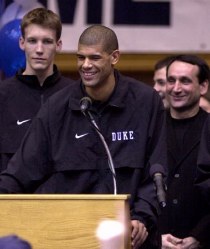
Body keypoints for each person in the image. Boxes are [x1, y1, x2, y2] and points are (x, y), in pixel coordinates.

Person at [0, 25, 166, 249]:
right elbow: (20, 172)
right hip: (72, 236)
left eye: (94, 58)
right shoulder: (56, 108)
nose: (85, 65)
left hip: (132, 237)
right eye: (80, 57)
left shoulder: (146, 102)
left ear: (114, 57)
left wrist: (142, 217)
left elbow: (156, 169)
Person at [0, 8, 75, 172]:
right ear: (22, 43)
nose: (39, 49)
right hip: (9, 196)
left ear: (58, 45)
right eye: (32, 41)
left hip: (62, 196)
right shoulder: (2, 95)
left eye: (47, 41)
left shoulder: (76, 96)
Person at [159, 54, 210, 249]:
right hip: (157, 241)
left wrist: (200, 236)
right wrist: (156, 237)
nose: (176, 88)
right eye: (171, 80)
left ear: (203, 87)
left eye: (185, 81)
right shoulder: (149, 127)